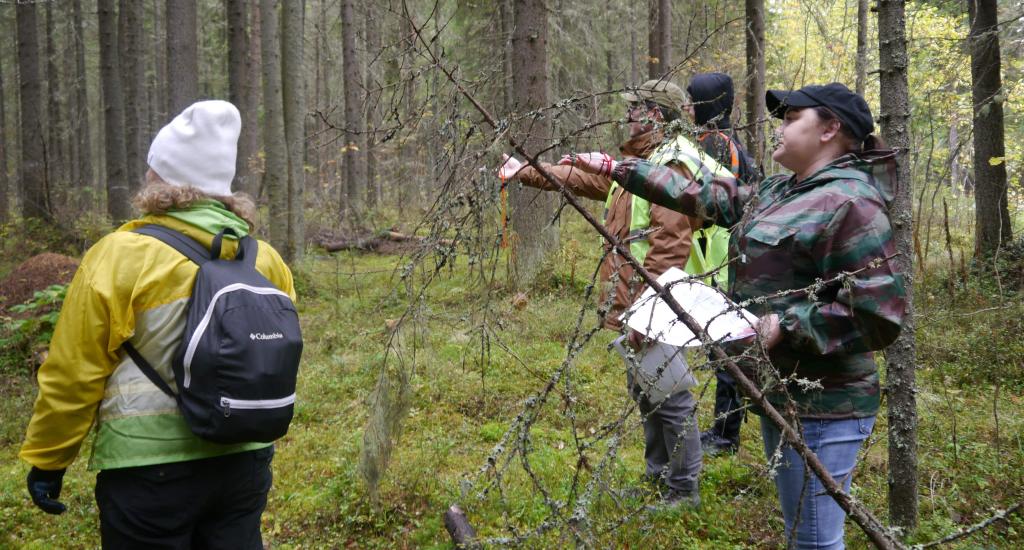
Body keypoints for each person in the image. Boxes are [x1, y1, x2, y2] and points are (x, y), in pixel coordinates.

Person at [562, 82, 906, 548]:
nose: (778, 127)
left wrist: (785, 325)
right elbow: (700, 193)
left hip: (826, 406)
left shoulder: (850, 204)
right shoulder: (780, 190)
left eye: (791, 119)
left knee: (814, 540)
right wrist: (617, 167)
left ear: (830, 129)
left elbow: (878, 313)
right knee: (800, 531)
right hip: (777, 391)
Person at [20, 100, 296, 548]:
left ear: (162, 179)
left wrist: (50, 459)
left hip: (148, 470)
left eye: (154, 167)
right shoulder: (264, 258)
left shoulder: (120, 255)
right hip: (244, 460)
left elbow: (74, 371)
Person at [499, 79, 733, 509]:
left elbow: (671, 242)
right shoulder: (638, 163)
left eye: (635, 108)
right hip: (637, 302)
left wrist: (651, 311)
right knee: (646, 389)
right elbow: (577, 177)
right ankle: (657, 476)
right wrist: (524, 169)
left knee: (671, 396)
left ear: (656, 115)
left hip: (657, 302)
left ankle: (684, 490)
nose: (627, 115)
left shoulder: (671, 164)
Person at [685, 72, 761, 456]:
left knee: (726, 346)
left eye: (691, 98)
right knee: (724, 345)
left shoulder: (716, 145)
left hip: (722, 260)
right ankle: (725, 429)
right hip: (723, 258)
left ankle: (726, 434)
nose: (686, 105)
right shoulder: (724, 142)